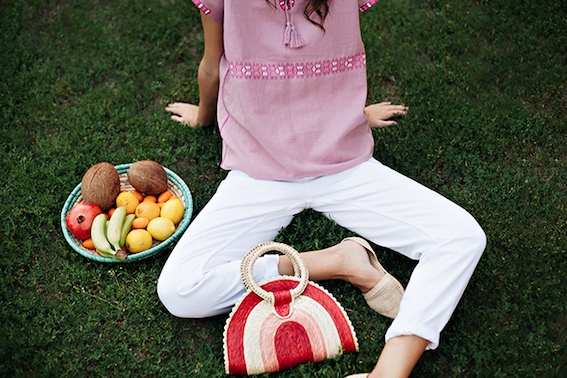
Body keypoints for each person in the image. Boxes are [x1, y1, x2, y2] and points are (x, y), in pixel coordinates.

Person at [158, 1, 486, 377]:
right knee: (179, 290)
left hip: (342, 166)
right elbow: (213, 63)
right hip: (259, 172)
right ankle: (336, 262)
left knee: (463, 237)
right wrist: (203, 116)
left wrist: (355, 115)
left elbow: (325, 60)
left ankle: (390, 371)